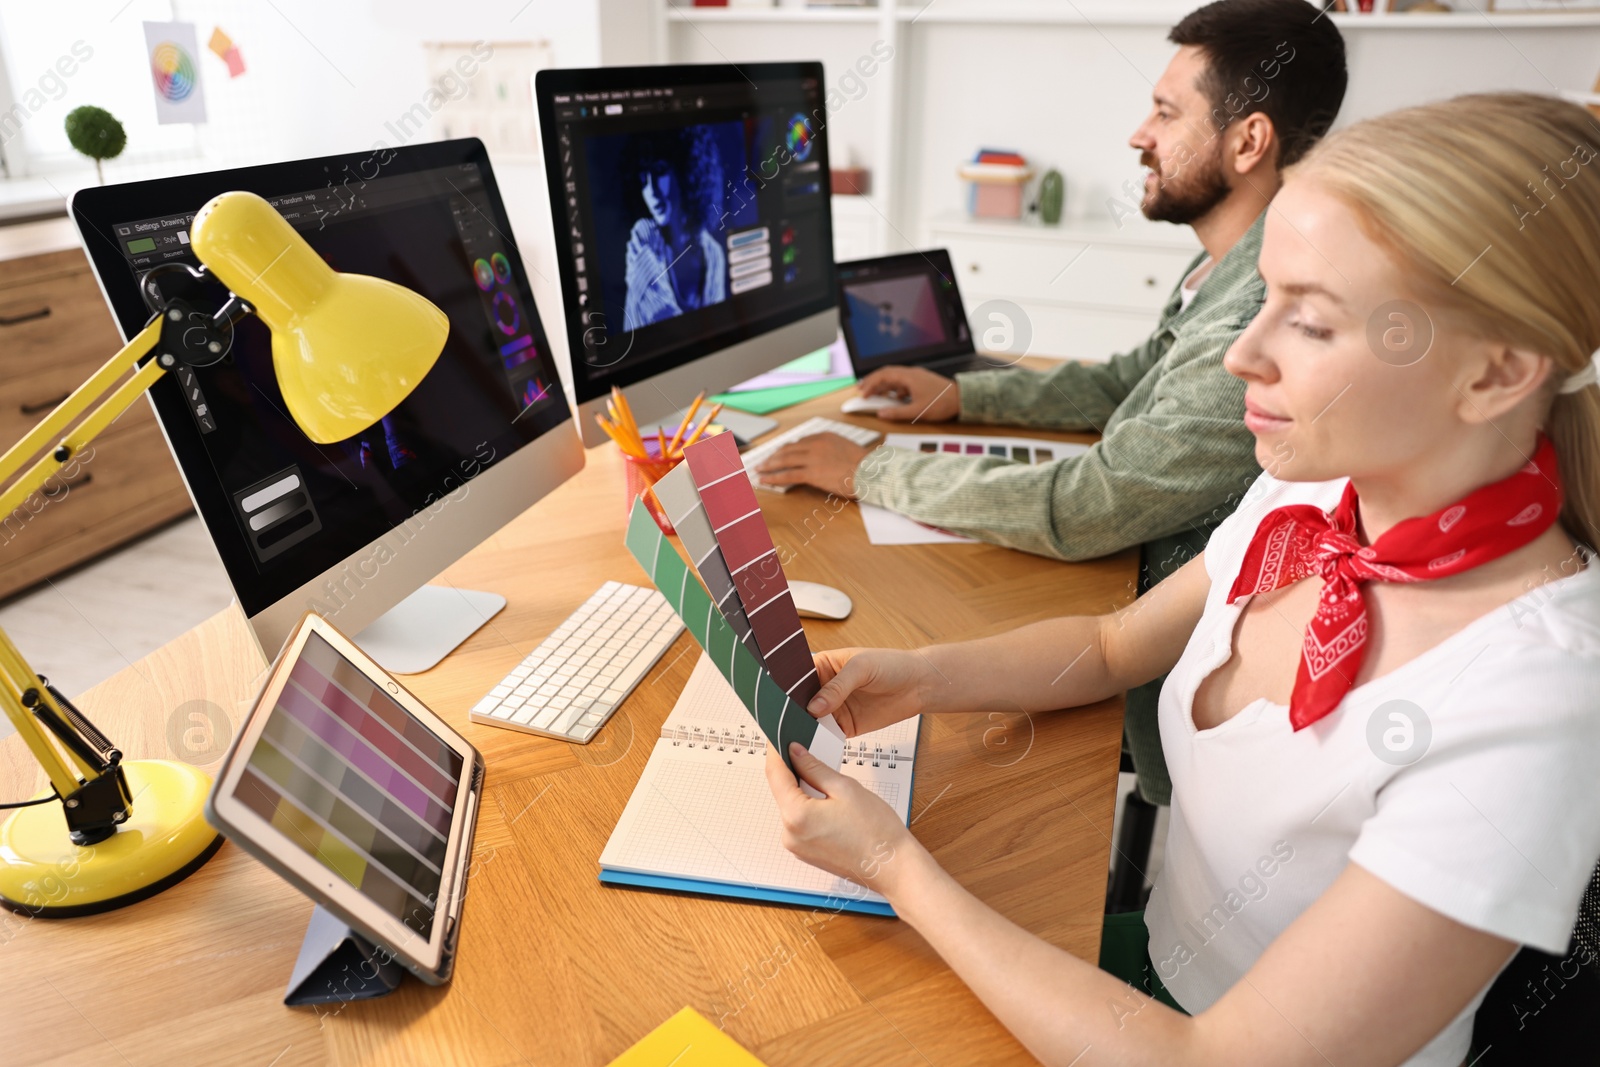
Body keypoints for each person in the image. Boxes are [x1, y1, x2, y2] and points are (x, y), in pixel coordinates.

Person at [763, 92, 1600, 1066]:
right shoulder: (1323, 488)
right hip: (1150, 977)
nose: (1244, 353)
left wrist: (890, 863)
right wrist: (920, 674)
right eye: (1264, 301)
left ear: (1497, 374)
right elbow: (1115, 645)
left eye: (1312, 324)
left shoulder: (1534, 702)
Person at [766, 0, 1348, 810]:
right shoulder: (1223, 274)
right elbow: (1124, 381)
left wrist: (873, 471)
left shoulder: (1258, 306)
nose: (1138, 133)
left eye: (1165, 112)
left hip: (1163, 698)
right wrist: (964, 396)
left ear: (1248, 140)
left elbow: (1088, 506)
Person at [623, 127, 729, 330]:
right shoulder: (643, 238)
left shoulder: (713, 253)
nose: (651, 192)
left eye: (660, 173)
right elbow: (668, 326)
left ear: (686, 170)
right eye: (644, 179)